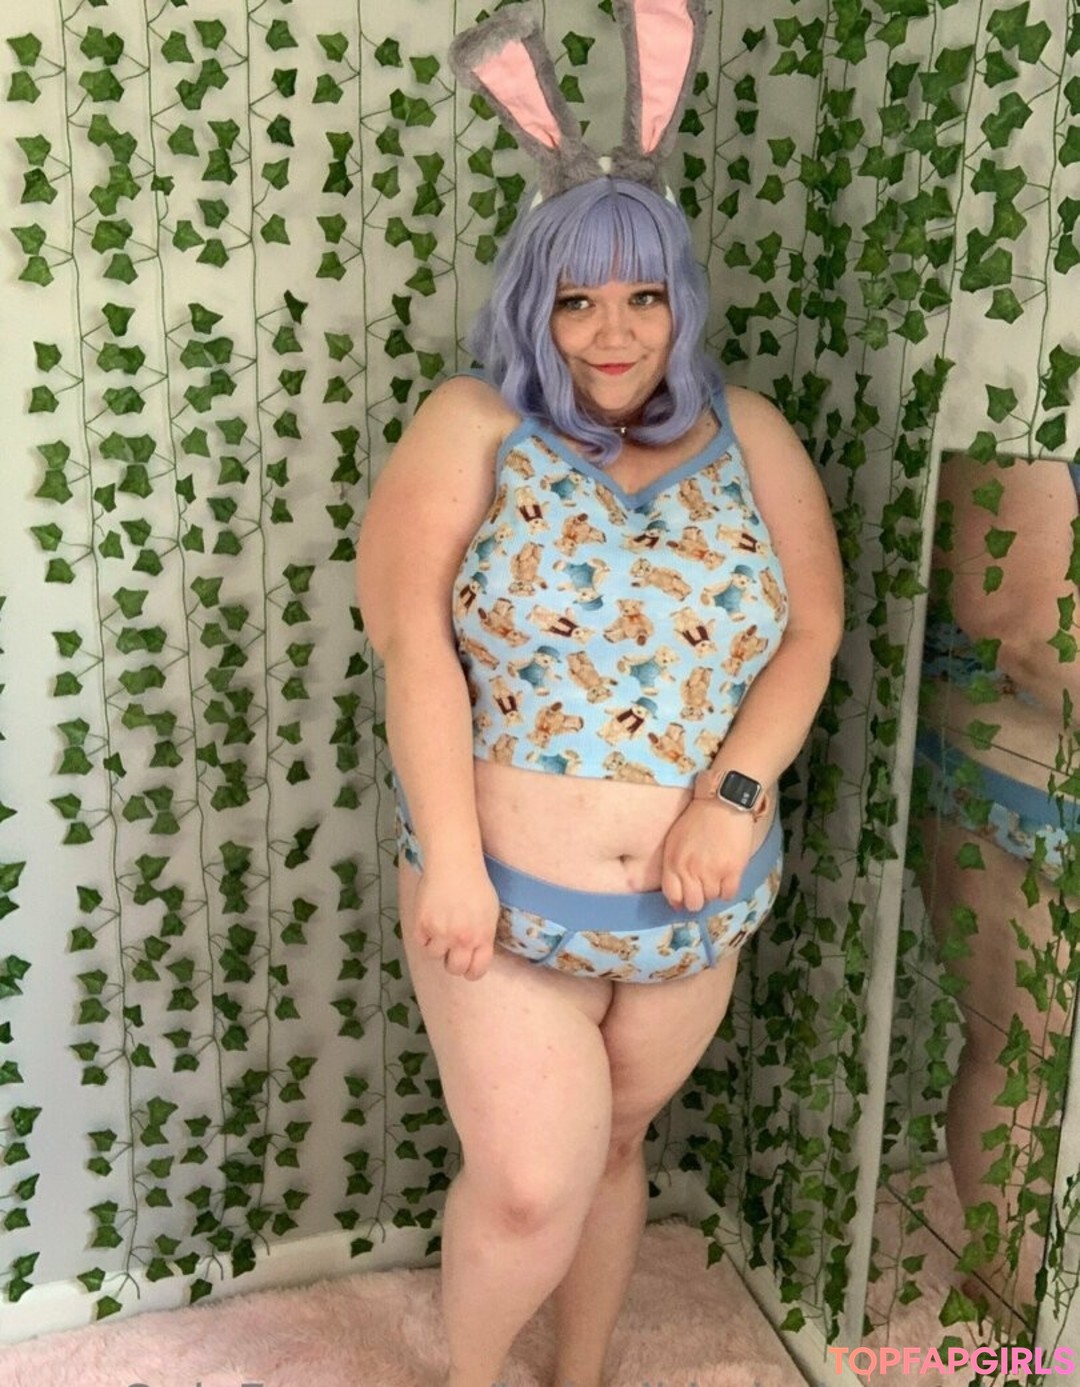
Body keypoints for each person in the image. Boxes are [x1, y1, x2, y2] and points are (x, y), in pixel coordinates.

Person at [357, 4, 843, 1383]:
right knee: (529, 1183)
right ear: (536, 304)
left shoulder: (751, 434)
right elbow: (412, 646)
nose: (612, 330)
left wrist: (733, 800)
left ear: (681, 299)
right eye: (578, 299)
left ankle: (580, 1375)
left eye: (643, 296)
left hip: (696, 903)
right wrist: (455, 864)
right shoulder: (472, 425)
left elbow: (813, 631)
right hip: (504, 903)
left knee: (617, 1146)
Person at [913, 450, 1080, 1328]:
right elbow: (1020, 622)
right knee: (1028, 1049)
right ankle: (1011, 1314)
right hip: (1019, 763)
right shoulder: (1027, 376)